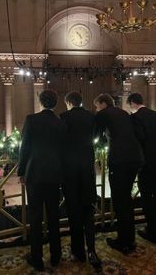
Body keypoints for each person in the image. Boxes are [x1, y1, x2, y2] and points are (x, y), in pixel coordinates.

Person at [18, 90, 65, 272]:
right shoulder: (61, 123)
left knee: (36, 217)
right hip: (55, 175)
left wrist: (22, 171)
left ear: (40, 102)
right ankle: (56, 256)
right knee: (54, 216)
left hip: (35, 175)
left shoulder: (31, 119)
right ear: (55, 103)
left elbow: (25, 147)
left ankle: (37, 259)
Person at [94, 93, 144, 254]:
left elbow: (95, 135)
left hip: (120, 160)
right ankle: (129, 239)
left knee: (120, 200)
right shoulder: (123, 112)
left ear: (102, 103)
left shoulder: (103, 114)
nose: (96, 109)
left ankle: (124, 241)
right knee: (126, 199)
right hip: (135, 158)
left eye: (97, 106)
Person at [60, 92, 101, 269]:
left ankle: (78, 251)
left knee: (74, 212)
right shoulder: (91, 117)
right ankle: (92, 250)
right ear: (81, 102)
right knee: (88, 212)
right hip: (87, 169)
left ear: (69, 103)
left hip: (70, 170)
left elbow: (60, 141)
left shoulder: (63, 117)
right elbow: (96, 138)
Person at [127, 92, 156, 244]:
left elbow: (137, 139)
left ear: (133, 103)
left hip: (147, 163)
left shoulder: (135, 118)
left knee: (147, 197)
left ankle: (152, 231)